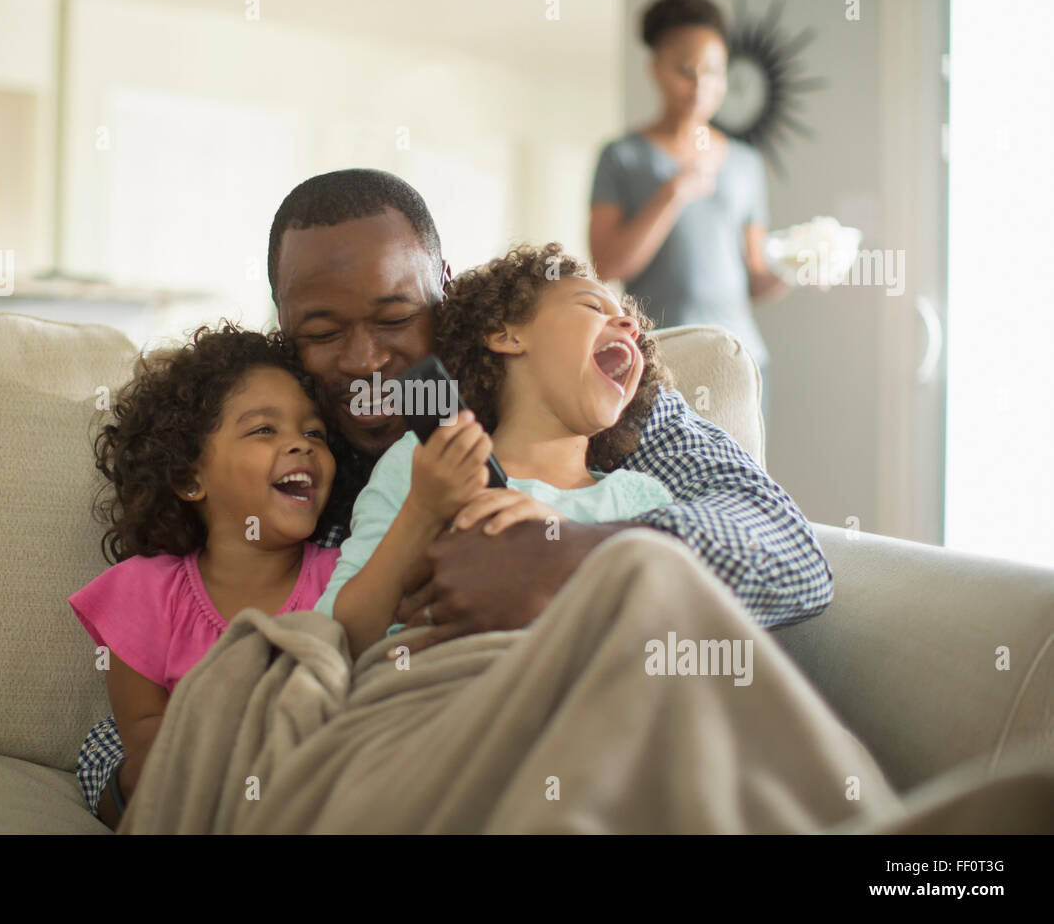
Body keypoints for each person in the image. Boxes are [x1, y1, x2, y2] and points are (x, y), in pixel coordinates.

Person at [78, 167, 833, 825]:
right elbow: (179, 687)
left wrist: (575, 554)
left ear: (446, 292)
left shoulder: (606, 409)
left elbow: (791, 553)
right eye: (322, 331)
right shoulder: (280, 442)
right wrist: (144, 775)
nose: (364, 359)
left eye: (395, 318)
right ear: (285, 328)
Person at [316, 243, 675, 658]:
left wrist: (568, 544)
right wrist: (423, 512)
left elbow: (664, 636)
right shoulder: (426, 460)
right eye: (594, 306)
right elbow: (337, 638)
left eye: (630, 324)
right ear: (506, 333)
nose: (628, 324)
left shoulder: (639, 498)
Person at [69, 324, 345, 829]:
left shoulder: (343, 578)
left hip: (305, 774)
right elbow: (146, 733)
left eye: (314, 433)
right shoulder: (147, 591)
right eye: (265, 430)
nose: (301, 446)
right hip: (185, 772)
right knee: (131, 762)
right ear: (189, 478)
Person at [588, 0, 789, 423]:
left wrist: (798, 268)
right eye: (686, 70)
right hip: (658, 361)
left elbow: (757, 279)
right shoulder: (622, 157)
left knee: (740, 486)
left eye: (714, 73)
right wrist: (674, 192)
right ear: (655, 68)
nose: (701, 85)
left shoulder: (745, 163)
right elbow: (607, 266)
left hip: (742, 359)